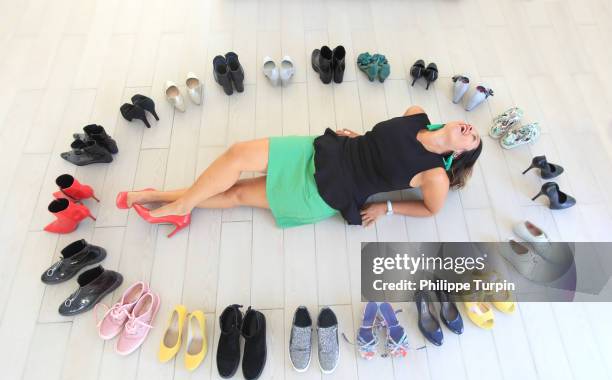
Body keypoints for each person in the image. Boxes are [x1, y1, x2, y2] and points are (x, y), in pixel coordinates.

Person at [116, 105, 482, 237]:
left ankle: (167, 200)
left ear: (461, 154)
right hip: (325, 150)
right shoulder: (415, 114)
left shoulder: (435, 177)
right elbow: (381, 141)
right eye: (470, 126)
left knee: (240, 193)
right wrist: (360, 136)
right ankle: (170, 201)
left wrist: (387, 208)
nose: (469, 130)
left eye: (473, 139)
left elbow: (432, 210)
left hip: (330, 190)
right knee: (237, 154)